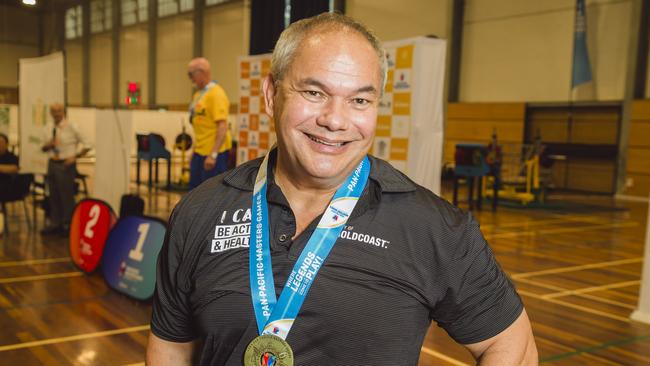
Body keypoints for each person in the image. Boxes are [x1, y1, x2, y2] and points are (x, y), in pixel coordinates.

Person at [148, 13, 537, 365]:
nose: (335, 120)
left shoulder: (432, 227)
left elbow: (511, 346)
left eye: (360, 100)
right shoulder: (200, 210)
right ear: (271, 95)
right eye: (314, 92)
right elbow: (170, 346)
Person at [40, 104, 91, 235]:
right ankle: (55, 223)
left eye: (59, 111)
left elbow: (88, 144)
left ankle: (68, 224)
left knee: (66, 195)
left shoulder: (72, 127)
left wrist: (75, 157)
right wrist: (48, 145)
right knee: (53, 195)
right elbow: (42, 148)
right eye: (54, 111)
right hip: (52, 163)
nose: (57, 113)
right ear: (50, 113)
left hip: (66, 165)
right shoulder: (48, 128)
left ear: (63, 112)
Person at [187, 57, 233, 188]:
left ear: (201, 72)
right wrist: (194, 150)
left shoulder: (216, 94)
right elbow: (201, 126)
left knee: (211, 194)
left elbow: (222, 126)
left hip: (213, 154)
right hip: (200, 152)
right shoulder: (199, 95)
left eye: (191, 74)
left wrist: (213, 155)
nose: (191, 79)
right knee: (194, 193)